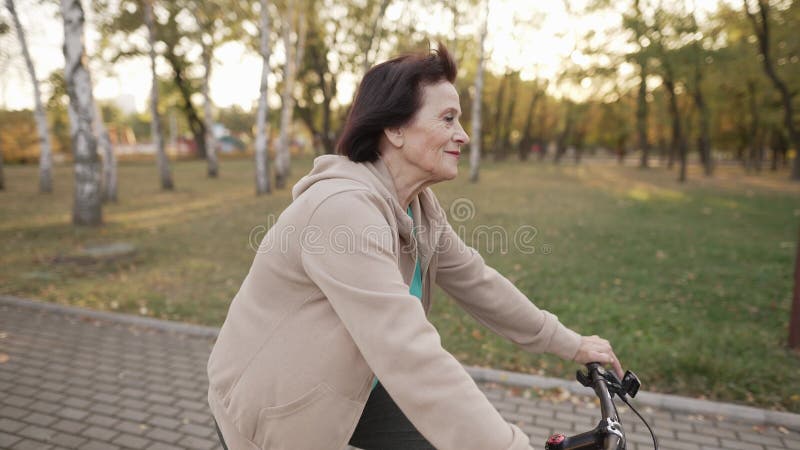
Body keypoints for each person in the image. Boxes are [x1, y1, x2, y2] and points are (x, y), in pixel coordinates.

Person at [207, 43, 622, 450]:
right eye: (447, 119)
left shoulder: (416, 205)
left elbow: (478, 282)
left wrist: (571, 343)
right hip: (275, 406)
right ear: (395, 129)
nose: (462, 135)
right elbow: (407, 351)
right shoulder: (342, 211)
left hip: (356, 378)